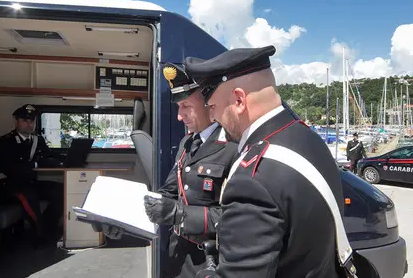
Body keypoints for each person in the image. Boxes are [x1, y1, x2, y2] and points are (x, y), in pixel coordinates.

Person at [184, 46, 351, 278]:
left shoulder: (253, 179)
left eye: (213, 107)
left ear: (239, 100)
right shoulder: (307, 137)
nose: (212, 117)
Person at [94, 63, 239, 278]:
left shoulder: (233, 147)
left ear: (210, 104)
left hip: (212, 260)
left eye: (186, 106)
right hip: (177, 253)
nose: (180, 116)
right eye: (178, 107)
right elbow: (169, 193)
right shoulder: (187, 143)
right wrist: (122, 220)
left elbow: (239, 217)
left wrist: (180, 214)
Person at [0, 104, 65, 248]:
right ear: (17, 122)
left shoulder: (37, 140)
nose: (29, 124)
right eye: (25, 120)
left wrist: (64, 159)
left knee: (61, 189)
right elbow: (8, 168)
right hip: (9, 186)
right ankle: (41, 236)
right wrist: (36, 165)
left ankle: (48, 225)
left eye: (32, 121)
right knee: (29, 195)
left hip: (29, 182)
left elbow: (49, 154)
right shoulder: (5, 142)